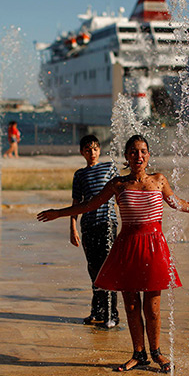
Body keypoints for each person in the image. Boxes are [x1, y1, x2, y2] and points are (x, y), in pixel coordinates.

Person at [38, 135, 189, 373]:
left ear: (148, 155)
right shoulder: (118, 184)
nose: (138, 156)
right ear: (127, 156)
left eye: (143, 151)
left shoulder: (159, 181)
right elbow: (89, 205)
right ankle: (138, 353)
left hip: (154, 249)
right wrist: (60, 213)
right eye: (133, 152)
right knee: (131, 306)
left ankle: (157, 353)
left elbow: (179, 203)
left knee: (152, 308)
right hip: (127, 248)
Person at [70, 135, 120, 327]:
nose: (92, 153)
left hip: (107, 224)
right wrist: (73, 227)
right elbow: (76, 204)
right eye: (88, 150)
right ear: (82, 152)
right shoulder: (79, 175)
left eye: (95, 149)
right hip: (88, 226)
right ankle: (98, 311)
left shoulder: (109, 168)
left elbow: (119, 194)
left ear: (100, 150)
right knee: (93, 269)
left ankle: (112, 314)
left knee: (109, 269)